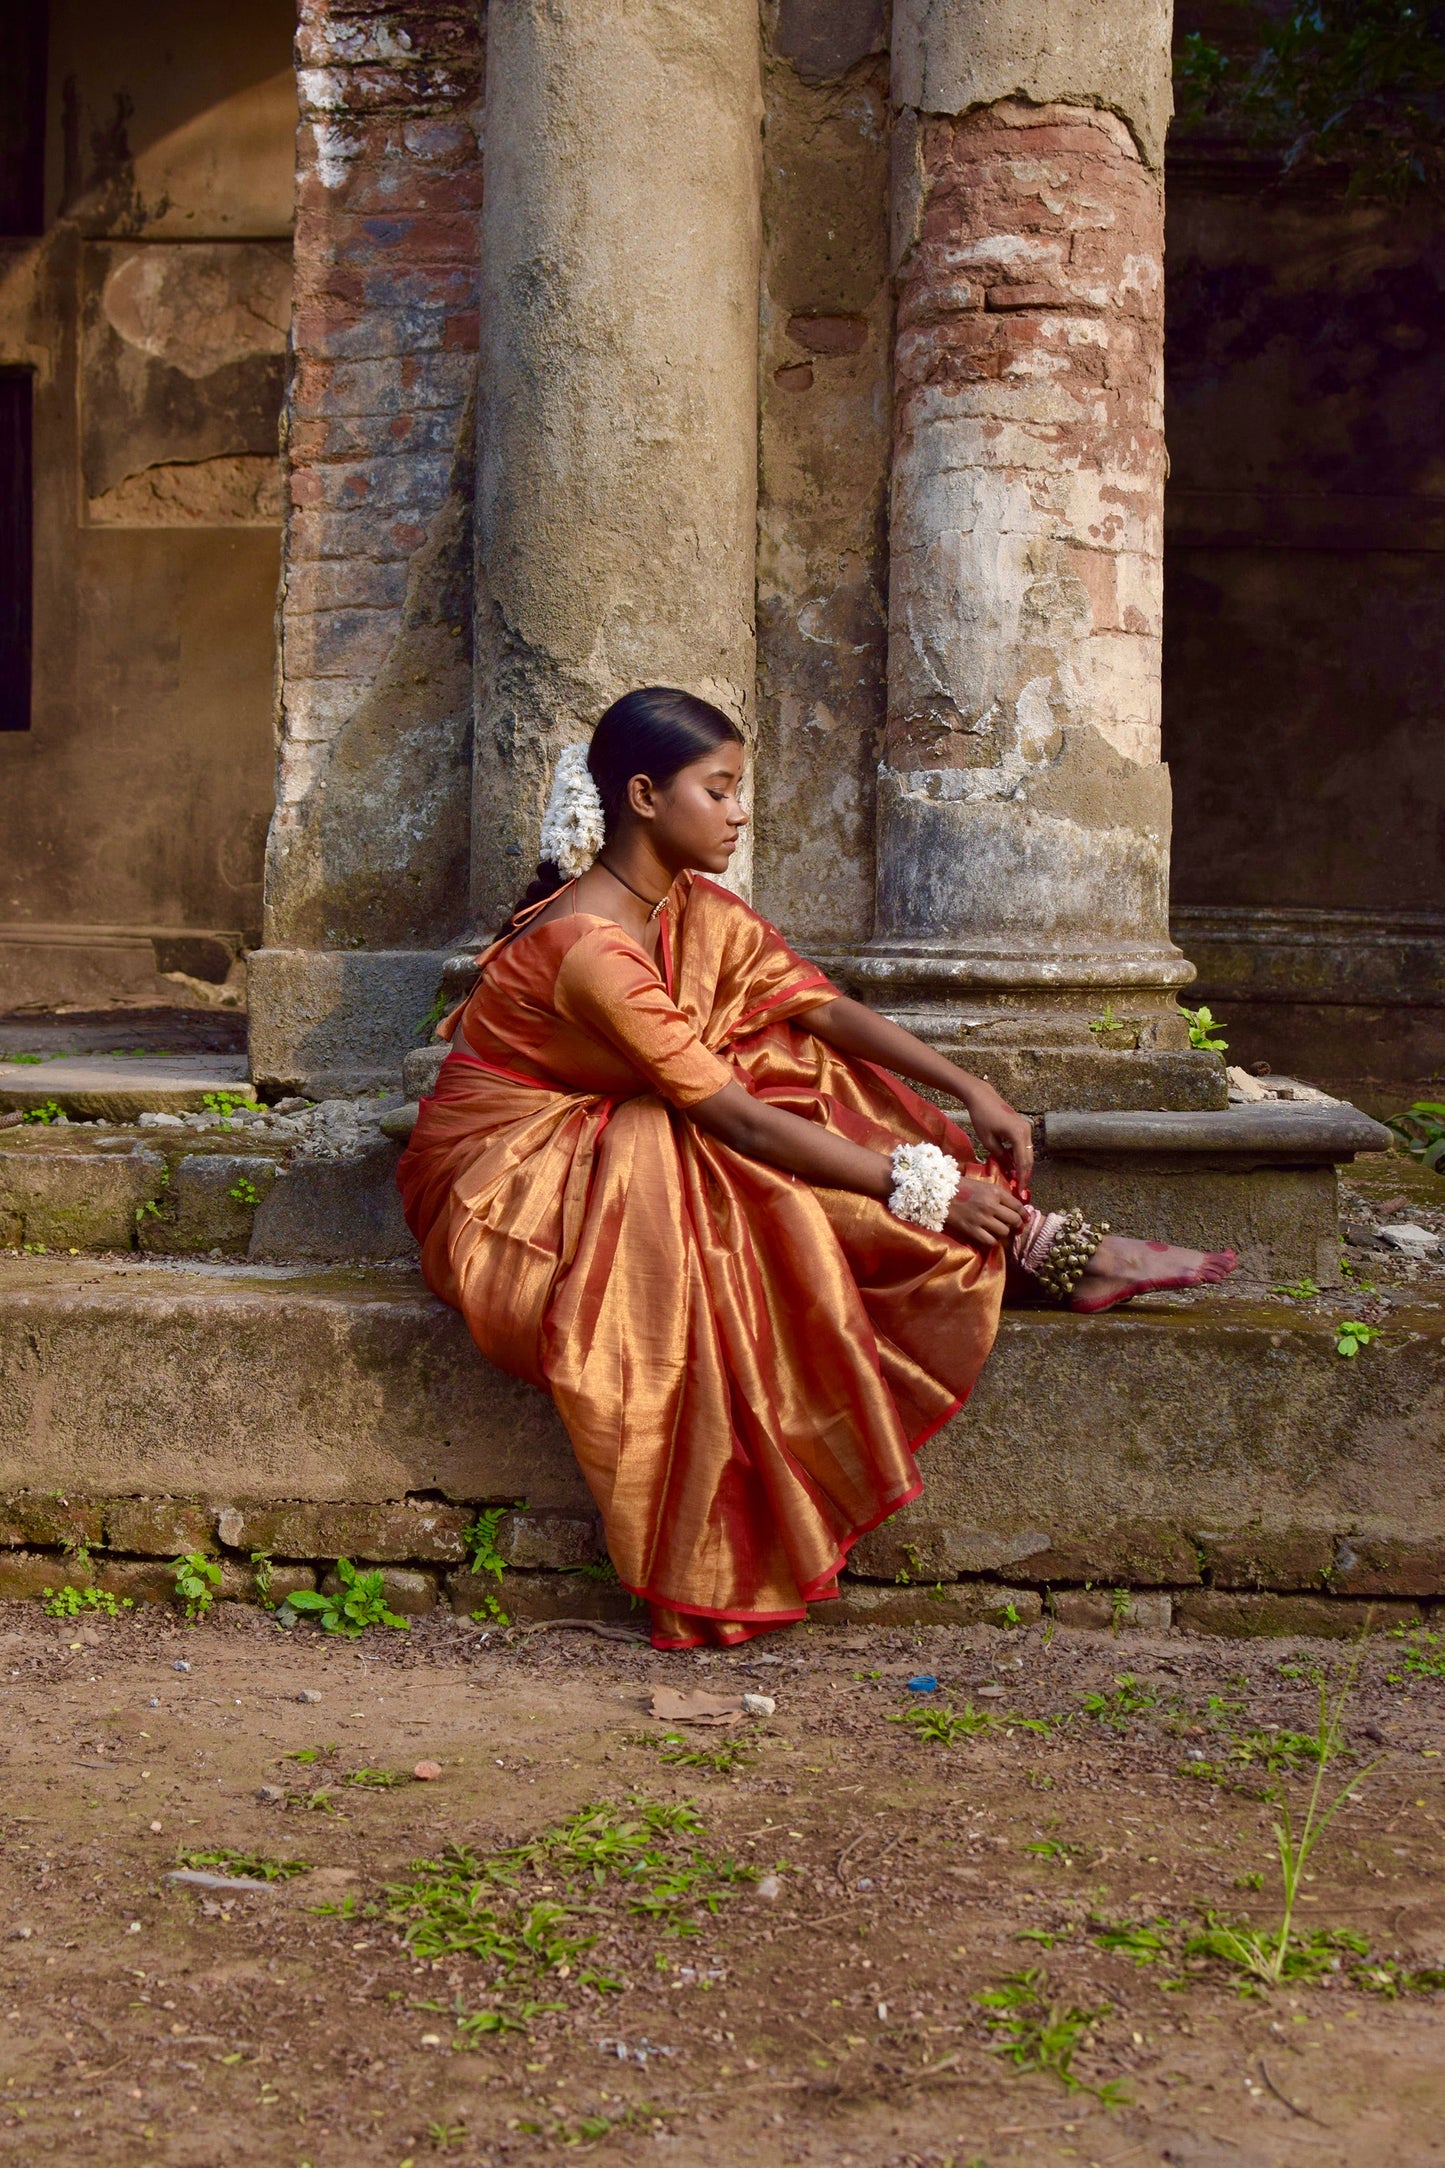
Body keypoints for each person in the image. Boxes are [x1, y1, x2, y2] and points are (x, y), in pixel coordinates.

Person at [398, 687, 1234, 1650]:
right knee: (688, 1148)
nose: (739, 813)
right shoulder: (591, 949)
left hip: (639, 1117)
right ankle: (1029, 1244)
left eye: (736, 790)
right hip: (504, 1185)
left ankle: (1027, 1240)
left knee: (785, 1053)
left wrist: (974, 1090)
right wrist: (927, 1186)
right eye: (719, 791)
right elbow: (737, 1121)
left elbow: (821, 1006)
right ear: (640, 795)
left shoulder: (689, 908)